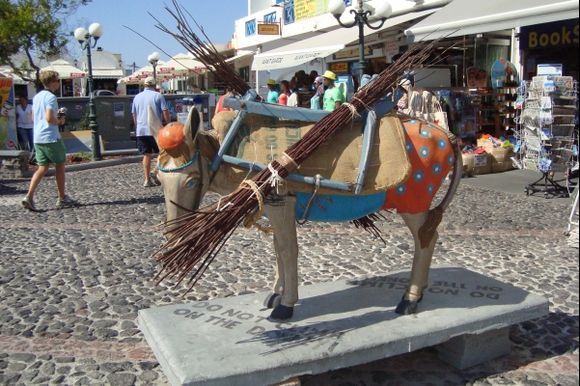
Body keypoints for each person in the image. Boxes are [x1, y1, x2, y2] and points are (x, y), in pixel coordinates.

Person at [21, 70, 77, 211]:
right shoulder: (51, 97)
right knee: (60, 165)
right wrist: (60, 120)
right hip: (51, 137)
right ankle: (62, 197)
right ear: (52, 82)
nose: (59, 83)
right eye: (57, 80)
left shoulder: (37, 97)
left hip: (38, 137)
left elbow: (34, 118)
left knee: (42, 167)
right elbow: (49, 118)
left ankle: (29, 196)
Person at [132, 76, 170, 187]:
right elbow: (165, 111)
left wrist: (137, 126)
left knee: (147, 155)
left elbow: (134, 114)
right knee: (164, 152)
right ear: (155, 85)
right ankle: (156, 171)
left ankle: (147, 179)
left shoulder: (137, 97)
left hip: (141, 130)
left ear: (144, 85)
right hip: (156, 130)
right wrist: (167, 124)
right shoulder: (158, 96)